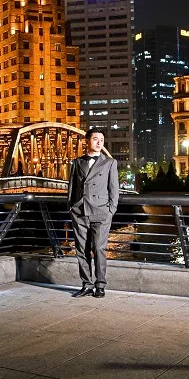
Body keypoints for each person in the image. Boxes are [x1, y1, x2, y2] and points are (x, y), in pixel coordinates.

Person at [67, 127, 119, 299]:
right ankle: (87, 284)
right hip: (80, 211)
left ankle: (100, 285)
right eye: (95, 139)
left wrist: (110, 210)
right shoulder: (77, 162)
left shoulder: (110, 163)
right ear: (87, 141)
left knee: (99, 248)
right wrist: (71, 207)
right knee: (81, 250)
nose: (99, 143)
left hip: (101, 211)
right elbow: (72, 187)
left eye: (102, 140)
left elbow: (114, 190)